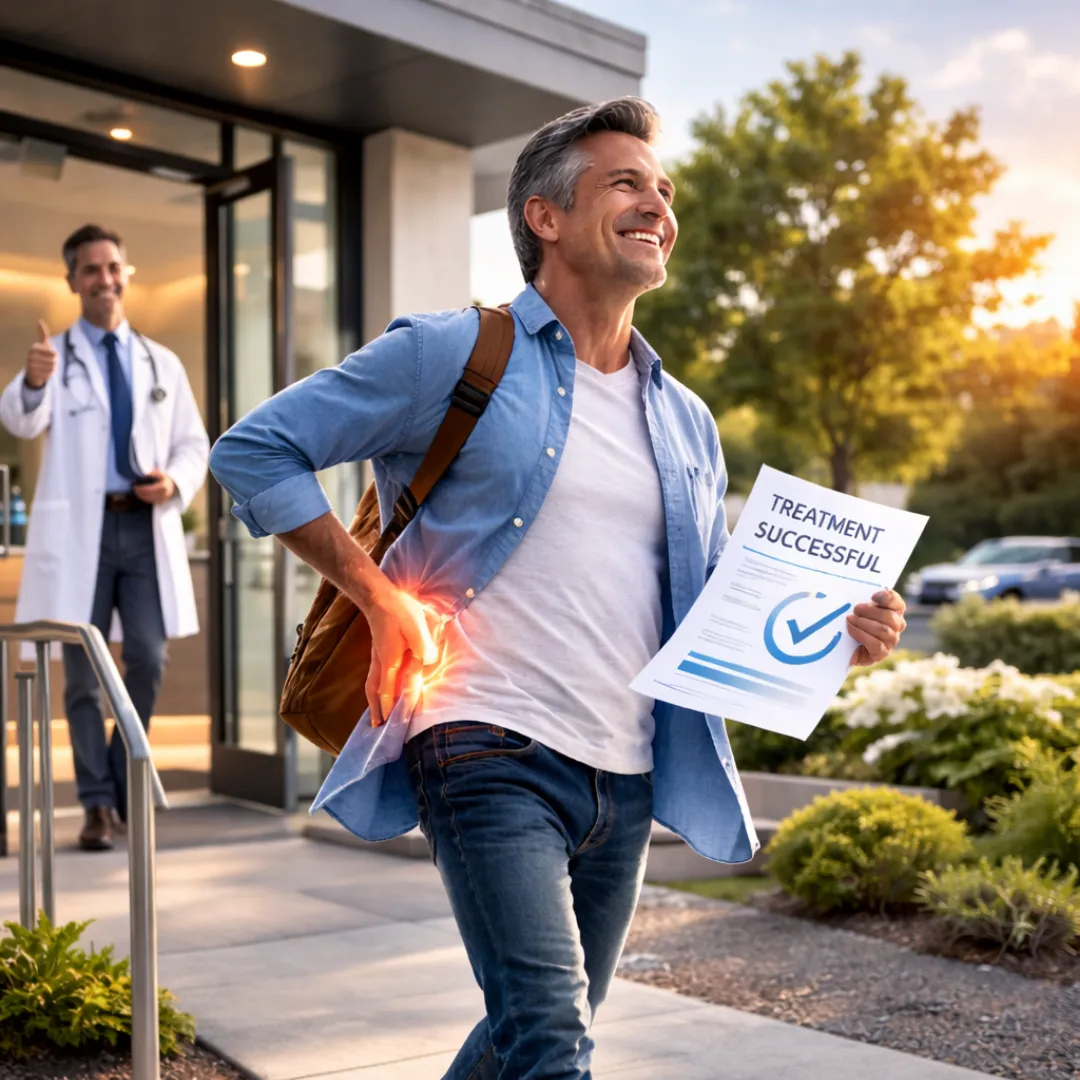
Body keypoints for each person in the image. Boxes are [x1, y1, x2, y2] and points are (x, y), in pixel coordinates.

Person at [210, 98, 908, 1079]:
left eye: (664, 191)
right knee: (552, 1041)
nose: (657, 205)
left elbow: (706, 602)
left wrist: (837, 626)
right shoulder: (454, 351)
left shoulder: (687, 420)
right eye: (627, 182)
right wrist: (376, 593)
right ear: (545, 215)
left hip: (624, 774)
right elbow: (254, 451)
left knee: (526, 1031)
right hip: (483, 740)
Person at [0, 224, 209, 852]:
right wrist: (34, 381)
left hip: (143, 528)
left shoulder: (160, 361)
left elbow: (193, 444)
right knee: (83, 674)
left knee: (147, 658)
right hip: (81, 535)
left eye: (112, 266)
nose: (104, 278)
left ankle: (119, 778)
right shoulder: (54, 358)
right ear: (72, 281)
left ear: (126, 273)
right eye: (90, 270)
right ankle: (96, 805)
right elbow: (19, 418)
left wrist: (172, 482)